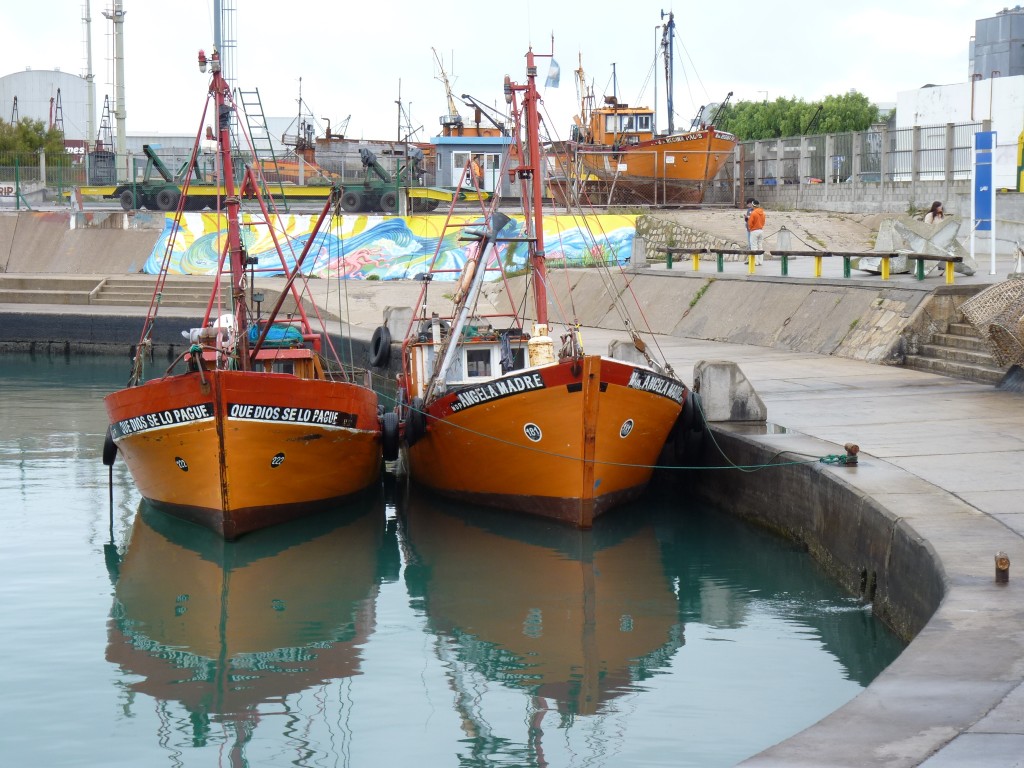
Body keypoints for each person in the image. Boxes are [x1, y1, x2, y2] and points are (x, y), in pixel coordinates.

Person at [747, 199, 766, 265]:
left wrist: (750, 228)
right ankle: (760, 261)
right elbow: (763, 222)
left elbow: (750, 223)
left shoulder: (753, 213)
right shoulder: (763, 213)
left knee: (754, 246)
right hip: (761, 230)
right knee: (760, 246)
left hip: (754, 231)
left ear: (753, 205)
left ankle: (755, 262)